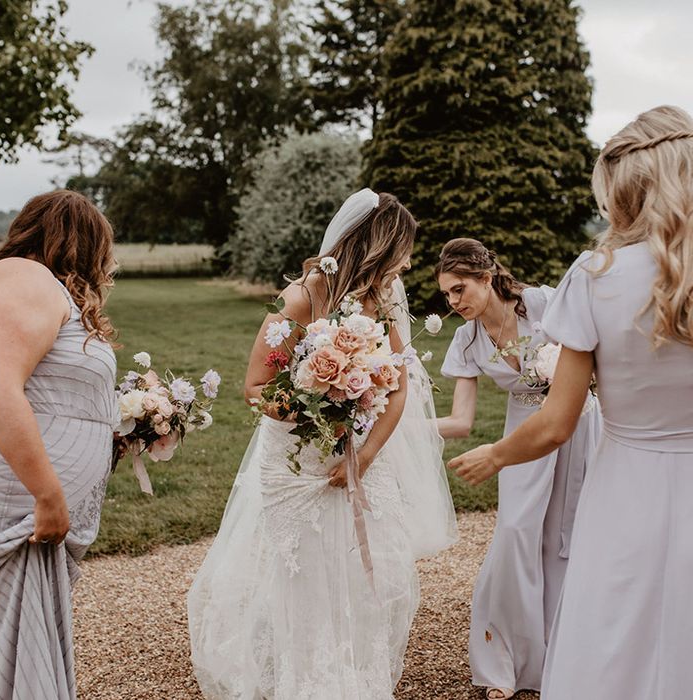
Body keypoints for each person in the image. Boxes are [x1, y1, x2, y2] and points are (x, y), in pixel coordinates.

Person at [448, 105, 693, 699]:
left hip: (628, 481)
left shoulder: (595, 275)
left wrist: (497, 456)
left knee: (615, 632)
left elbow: (556, 423)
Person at [188, 188, 456, 699]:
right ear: (376, 248)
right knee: (304, 574)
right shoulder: (300, 297)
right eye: (400, 253)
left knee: (362, 570)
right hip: (296, 462)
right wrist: (325, 403)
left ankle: (353, 677)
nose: (405, 265)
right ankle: (302, 681)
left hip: (359, 458)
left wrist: (368, 449)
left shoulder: (383, 300)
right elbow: (256, 389)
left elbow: (396, 389)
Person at [0, 190, 118, 699]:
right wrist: (48, 493)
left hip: (9, 491)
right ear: (83, 244)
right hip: (9, 496)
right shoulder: (27, 278)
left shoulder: (30, 285)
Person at [435, 238, 602, 700]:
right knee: (513, 531)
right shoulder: (466, 339)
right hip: (521, 433)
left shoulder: (544, 303)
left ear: (487, 278)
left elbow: (595, 357)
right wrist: (397, 427)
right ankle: (502, 660)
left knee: (564, 536)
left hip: (577, 423)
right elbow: (461, 421)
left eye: (459, 289)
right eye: (446, 295)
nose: (453, 302)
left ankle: (562, 659)